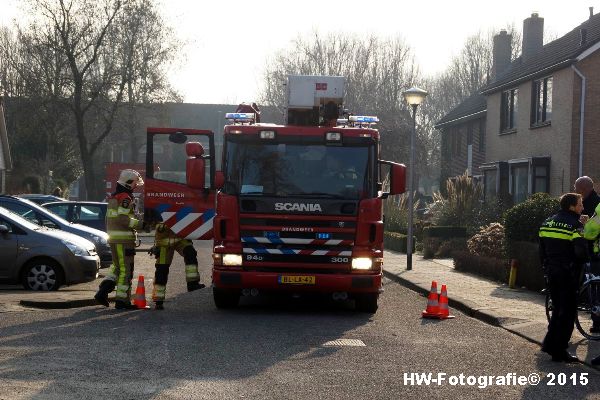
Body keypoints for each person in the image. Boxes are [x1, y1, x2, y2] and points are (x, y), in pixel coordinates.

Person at [539, 193, 589, 362]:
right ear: (572, 206)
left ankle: (550, 345)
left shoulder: (548, 222)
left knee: (558, 309)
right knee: (567, 312)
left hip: (552, 271)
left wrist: (546, 267)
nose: (582, 208)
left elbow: (541, 250)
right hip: (568, 273)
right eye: (580, 204)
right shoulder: (575, 225)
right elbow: (580, 252)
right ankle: (559, 350)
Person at [94, 169, 146, 310]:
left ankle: (102, 292)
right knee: (126, 271)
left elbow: (110, 219)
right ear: (129, 183)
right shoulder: (125, 198)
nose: (136, 187)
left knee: (117, 268)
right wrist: (141, 224)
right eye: (135, 184)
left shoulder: (113, 197)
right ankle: (122, 301)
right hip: (124, 241)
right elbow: (124, 219)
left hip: (114, 239)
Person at [150, 223, 205, 310]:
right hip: (164, 241)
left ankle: (192, 283)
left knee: (190, 252)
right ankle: (158, 300)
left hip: (181, 238)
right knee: (162, 269)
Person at [575, 176, 600, 333]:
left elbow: (591, 232)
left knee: (594, 288)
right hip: (592, 250)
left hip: (593, 251)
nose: (576, 191)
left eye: (577, 188)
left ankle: (597, 322)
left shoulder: (595, 205)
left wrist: (584, 225)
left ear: (583, 189)